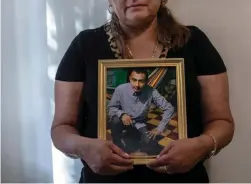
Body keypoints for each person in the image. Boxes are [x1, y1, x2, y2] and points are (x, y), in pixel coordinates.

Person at [51, 0, 235, 183]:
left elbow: (221, 122)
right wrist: (83, 147)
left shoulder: (194, 42)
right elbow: (61, 128)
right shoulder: (84, 46)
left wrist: (201, 146)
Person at [107, 68, 175, 155]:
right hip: (122, 121)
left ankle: (133, 137)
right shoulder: (120, 89)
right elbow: (111, 107)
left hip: (139, 123)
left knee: (149, 144)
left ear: (147, 81)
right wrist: (122, 114)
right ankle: (117, 142)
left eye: (141, 81)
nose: (137, 85)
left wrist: (159, 129)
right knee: (115, 120)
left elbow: (169, 108)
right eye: (134, 80)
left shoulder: (152, 91)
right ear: (129, 78)